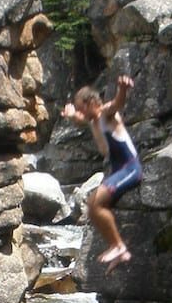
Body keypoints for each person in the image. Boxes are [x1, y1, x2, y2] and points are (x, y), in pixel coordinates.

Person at [60, 75, 142, 270]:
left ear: (91, 103)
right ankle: (117, 248)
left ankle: (119, 247)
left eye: (81, 108)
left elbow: (117, 103)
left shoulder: (106, 114)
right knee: (92, 208)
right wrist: (71, 115)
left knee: (95, 203)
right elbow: (81, 120)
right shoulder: (92, 119)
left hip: (130, 169)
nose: (80, 113)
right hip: (118, 170)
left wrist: (122, 89)